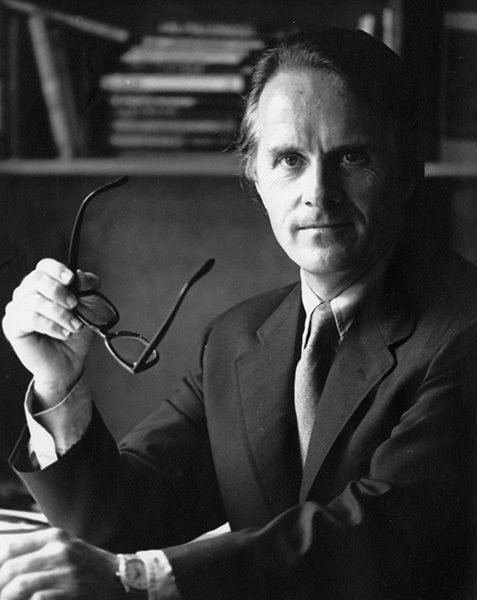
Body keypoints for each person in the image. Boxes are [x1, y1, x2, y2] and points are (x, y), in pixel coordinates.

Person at [1, 28, 477, 600]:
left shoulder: (464, 330)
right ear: (255, 175)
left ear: (408, 172)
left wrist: (141, 578)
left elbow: (379, 538)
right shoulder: (236, 338)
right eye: (289, 160)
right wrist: (59, 383)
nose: (318, 193)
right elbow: (121, 521)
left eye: (352, 157)